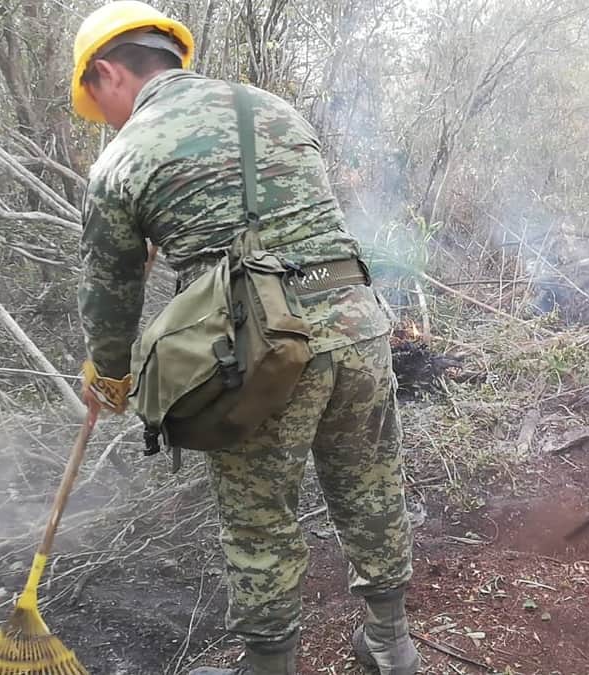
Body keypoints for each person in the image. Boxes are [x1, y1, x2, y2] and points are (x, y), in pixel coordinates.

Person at [70, 3, 418, 673]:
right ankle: (391, 642)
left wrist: (109, 376)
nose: (104, 118)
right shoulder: (275, 109)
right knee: (371, 487)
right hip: (358, 320)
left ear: (109, 72)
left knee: (260, 522)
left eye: (96, 100)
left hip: (258, 351)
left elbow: (110, 297)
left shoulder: (122, 160)